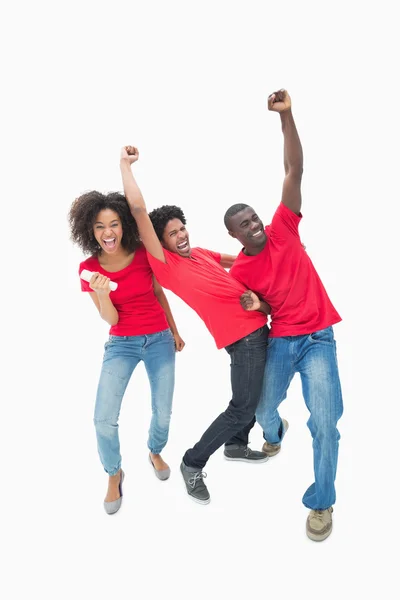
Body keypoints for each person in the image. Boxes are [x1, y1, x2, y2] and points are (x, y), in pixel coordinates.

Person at [119, 147, 270, 505]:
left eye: (182, 227)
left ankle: (235, 444)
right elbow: (139, 211)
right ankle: (193, 461)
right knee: (242, 406)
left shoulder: (199, 253)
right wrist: (125, 165)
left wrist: (276, 255)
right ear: (161, 243)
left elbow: (237, 259)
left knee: (255, 397)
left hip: (258, 328)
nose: (181, 235)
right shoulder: (166, 265)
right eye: (172, 234)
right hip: (243, 338)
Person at [224, 89, 343, 541]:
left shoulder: (284, 225)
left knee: (326, 423)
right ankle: (274, 433)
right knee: (262, 408)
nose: (255, 225)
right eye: (245, 225)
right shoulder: (243, 270)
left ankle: (322, 502)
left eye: (255, 217)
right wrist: (260, 305)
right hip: (282, 340)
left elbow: (294, 168)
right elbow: (269, 306)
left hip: (318, 340)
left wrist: (287, 116)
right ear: (235, 235)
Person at [68, 191, 185, 515]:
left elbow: (159, 292)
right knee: (103, 419)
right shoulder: (88, 268)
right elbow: (111, 319)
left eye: (114, 224)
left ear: (123, 225)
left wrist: (174, 331)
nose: (108, 233)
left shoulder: (142, 254)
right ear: (89, 230)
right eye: (99, 226)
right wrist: (103, 294)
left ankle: (155, 450)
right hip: (121, 342)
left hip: (160, 338)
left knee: (163, 411)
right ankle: (114, 473)